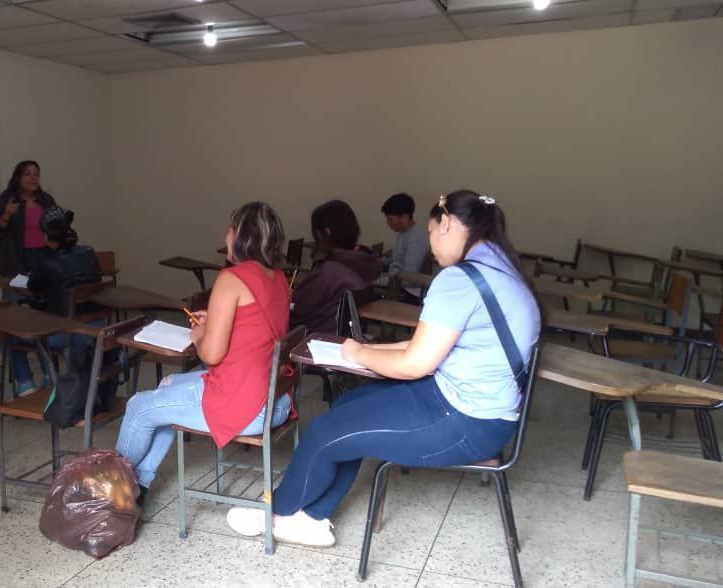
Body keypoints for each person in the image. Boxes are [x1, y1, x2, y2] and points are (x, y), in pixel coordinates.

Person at [226, 190, 542, 547]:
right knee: (348, 408)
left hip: (465, 420)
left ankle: (274, 513)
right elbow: (424, 345)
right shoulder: (503, 268)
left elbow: (414, 363)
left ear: (448, 223)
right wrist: (365, 350)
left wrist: (358, 355)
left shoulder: (459, 280)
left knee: (324, 431)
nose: (432, 246)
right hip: (481, 413)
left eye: (432, 230)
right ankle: (311, 518)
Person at [115, 202, 293, 505]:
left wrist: (199, 333)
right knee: (167, 385)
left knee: (138, 407)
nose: (225, 235)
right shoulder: (278, 278)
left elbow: (210, 354)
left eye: (230, 228)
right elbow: (253, 329)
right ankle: (140, 485)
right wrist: (216, 321)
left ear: (240, 236)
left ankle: (109, 490)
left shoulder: (232, 278)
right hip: (276, 400)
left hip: (246, 407)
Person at [9, 207, 102, 396]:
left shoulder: (48, 263)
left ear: (46, 236)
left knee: (12, 332)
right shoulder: (89, 253)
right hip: (95, 328)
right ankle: (48, 376)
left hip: (66, 333)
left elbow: (33, 286)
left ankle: (26, 383)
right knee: (45, 320)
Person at [0, 160, 57, 372]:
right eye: (27, 174)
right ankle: (5, 350)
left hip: (42, 258)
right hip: (15, 259)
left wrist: (54, 239)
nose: (33, 177)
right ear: (18, 177)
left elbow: (57, 226)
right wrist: (8, 213)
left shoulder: (46, 200)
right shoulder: (8, 199)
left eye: (36, 173)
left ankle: (40, 346)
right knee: (12, 306)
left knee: (41, 306)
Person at [290, 200, 382, 333]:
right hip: (343, 338)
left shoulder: (331, 271)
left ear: (326, 232)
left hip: (313, 339)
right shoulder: (365, 263)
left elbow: (300, 309)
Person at [377, 193, 431, 304]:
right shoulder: (403, 233)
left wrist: (376, 282)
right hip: (396, 284)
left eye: (391, 219)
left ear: (405, 217)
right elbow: (398, 260)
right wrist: (381, 260)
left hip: (407, 292)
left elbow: (408, 277)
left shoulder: (416, 239)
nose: (388, 223)